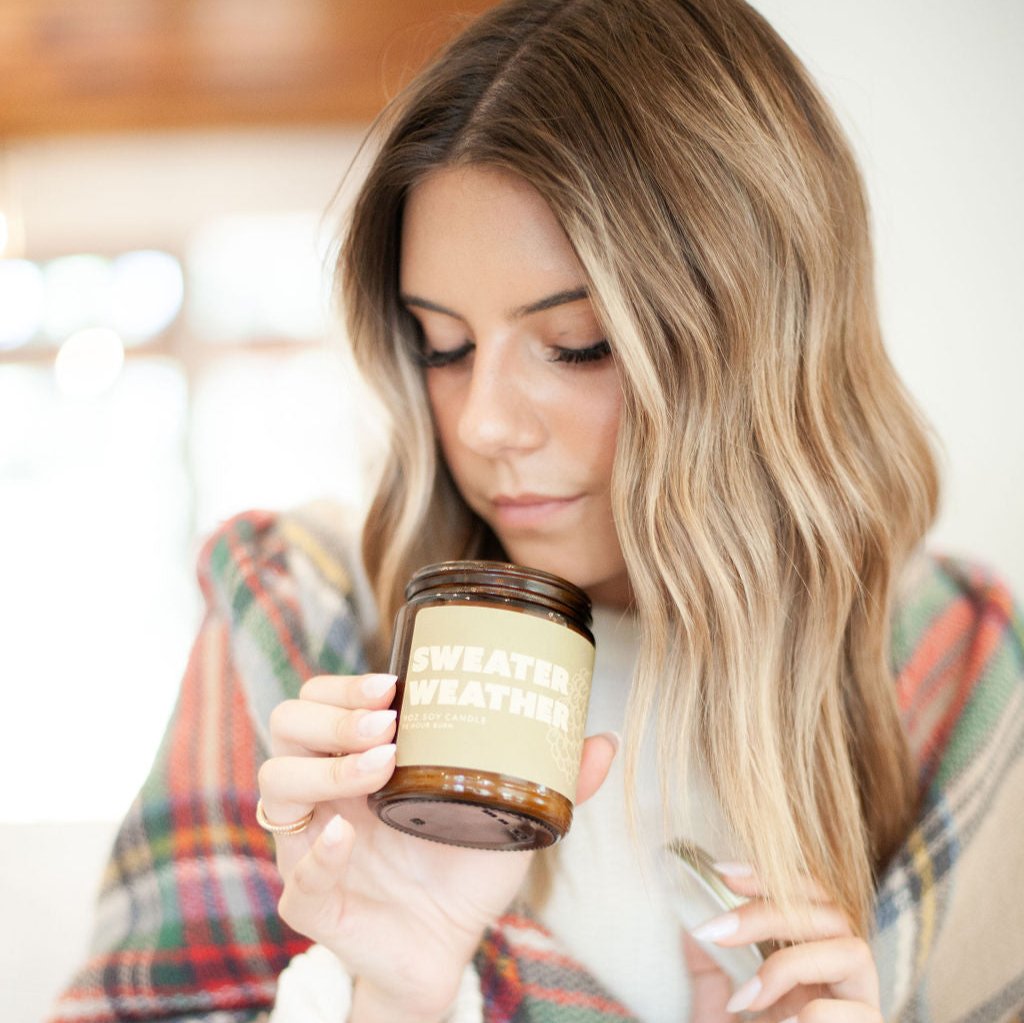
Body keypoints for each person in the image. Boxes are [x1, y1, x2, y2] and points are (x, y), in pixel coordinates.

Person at [51, 1, 1024, 1021]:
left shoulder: (951, 669)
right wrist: (394, 997)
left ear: (759, 339)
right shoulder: (301, 619)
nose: (482, 425)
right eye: (442, 344)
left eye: (575, 344)